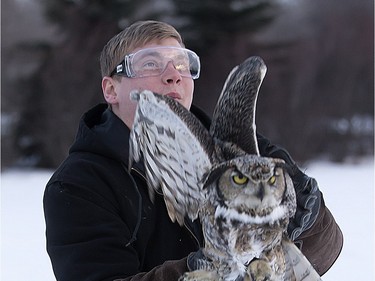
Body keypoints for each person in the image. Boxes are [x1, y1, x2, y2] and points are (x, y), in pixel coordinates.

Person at [43, 20, 343, 281]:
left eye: (183, 64)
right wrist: (207, 269)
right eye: (150, 63)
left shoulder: (239, 152)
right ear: (111, 89)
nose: (173, 74)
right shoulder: (79, 184)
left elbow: (325, 253)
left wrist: (308, 213)